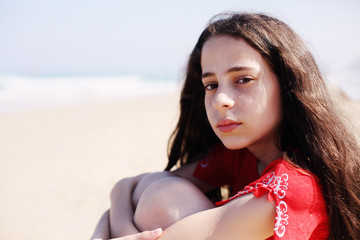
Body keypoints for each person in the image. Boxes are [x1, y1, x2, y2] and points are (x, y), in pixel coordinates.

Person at [91, 12, 360, 240]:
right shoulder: (238, 156)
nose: (220, 100)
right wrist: (118, 221)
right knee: (158, 186)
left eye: (243, 79)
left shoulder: (294, 186)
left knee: (161, 197)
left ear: (289, 84)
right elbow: (129, 185)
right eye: (211, 85)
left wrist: (112, 226)